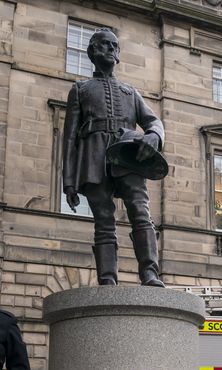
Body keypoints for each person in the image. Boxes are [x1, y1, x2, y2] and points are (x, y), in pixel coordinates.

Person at [62, 27, 166, 287]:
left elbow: (154, 121)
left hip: (128, 157)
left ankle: (150, 273)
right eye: (103, 44)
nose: (109, 49)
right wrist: (69, 182)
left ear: (118, 54)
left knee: (141, 212)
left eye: (114, 45)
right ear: (92, 51)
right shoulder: (80, 89)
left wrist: (154, 136)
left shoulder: (131, 92)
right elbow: (70, 138)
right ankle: (107, 278)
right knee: (104, 220)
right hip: (93, 159)